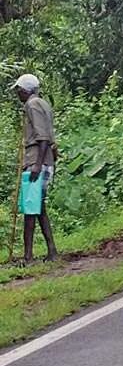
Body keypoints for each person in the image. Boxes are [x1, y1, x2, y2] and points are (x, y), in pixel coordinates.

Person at [14, 74, 56, 264]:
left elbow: (43, 137)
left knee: (31, 209)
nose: (17, 94)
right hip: (44, 160)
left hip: (36, 161)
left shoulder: (32, 105)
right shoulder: (44, 103)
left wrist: (37, 165)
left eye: (18, 90)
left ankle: (28, 257)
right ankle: (52, 251)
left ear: (25, 90)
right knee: (39, 208)